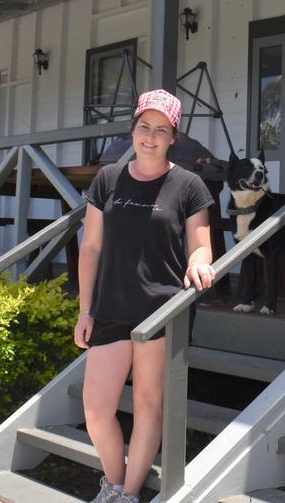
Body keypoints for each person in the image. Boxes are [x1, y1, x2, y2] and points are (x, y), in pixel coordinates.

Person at [73, 89, 216, 503]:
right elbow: (91, 248)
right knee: (96, 409)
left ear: (174, 137)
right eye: (143, 127)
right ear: (133, 129)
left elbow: (201, 244)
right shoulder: (108, 179)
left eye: (161, 130)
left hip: (161, 310)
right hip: (111, 307)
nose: (150, 137)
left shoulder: (188, 185)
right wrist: (86, 309)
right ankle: (113, 483)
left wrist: (200, 262)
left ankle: (129, 494)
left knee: (148, 405)